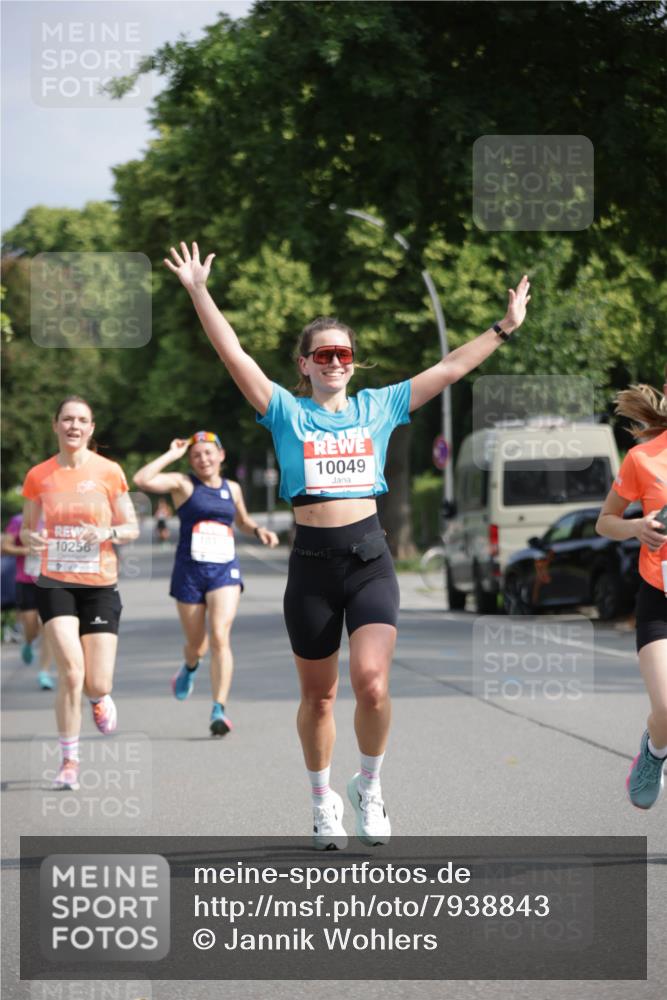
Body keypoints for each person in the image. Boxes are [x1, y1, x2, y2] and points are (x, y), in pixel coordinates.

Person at [165, 240, 530, 849]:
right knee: (320, 695)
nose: (336, 361)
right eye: (324, 354)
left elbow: (448, 370)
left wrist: (503, 328)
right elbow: (234, 353)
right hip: (310, 564)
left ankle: (370, 785)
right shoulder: (282, 410)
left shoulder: (379, 406)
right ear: (304, 364)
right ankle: (320, 801)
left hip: (369, 558)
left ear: (354, 363)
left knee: (372, 682)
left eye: (345, 353)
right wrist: (200, 291)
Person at [21, 396, 139, 791]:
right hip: (55, 583)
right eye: (67, 419)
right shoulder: (39, 475)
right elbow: (26, 529)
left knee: (97, 681)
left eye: (82, 420)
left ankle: (100, 699)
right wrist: (31, 537)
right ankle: (69, 760)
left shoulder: (108, 472)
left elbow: (131, 526)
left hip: (100, 585)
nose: (74, 425)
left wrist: (106, 532)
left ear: (91, 429)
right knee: (71, 672)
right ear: (55, 425)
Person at [134, 432, 279, 736]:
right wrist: (172, 454)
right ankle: (189, 667)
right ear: (191, 460)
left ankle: (218, 709)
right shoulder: (183, 484)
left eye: (209, 453)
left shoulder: (233, 488)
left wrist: (258, 530)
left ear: (221, 456)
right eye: (197, 455)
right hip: (189, 571)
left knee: (220, 637)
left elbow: (241, 522)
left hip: (224, 570)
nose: (203, 459)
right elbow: (142, 479)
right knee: (196, 645)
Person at [596, 369, 667, 809]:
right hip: (658, 599)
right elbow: (605, 522)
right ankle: (655, 751)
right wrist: (638, 526)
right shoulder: (642, 459)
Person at [1, 512, 55, 689]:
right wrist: (26, 550)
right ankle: (29, 641)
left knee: (49, 625)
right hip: (26, 580)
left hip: (52, 580)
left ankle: (44, 672)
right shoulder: (19, 520)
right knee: (31, 625)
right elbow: (5, 547)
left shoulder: (60, 517)